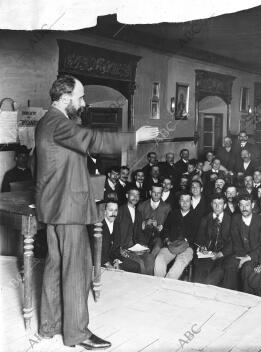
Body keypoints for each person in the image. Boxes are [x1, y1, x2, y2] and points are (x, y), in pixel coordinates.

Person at [35, 75, 158, 349]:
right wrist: (134, 137)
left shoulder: (47, 123)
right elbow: (91, 139)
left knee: (55, 267)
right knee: (77, 269)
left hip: (54, 208)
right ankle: (77, 334)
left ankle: (49, 327)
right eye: (80, 98)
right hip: (68, 210)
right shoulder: (58, 123)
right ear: (65, 98)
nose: (84, 102)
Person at [225, 195, 261, 290]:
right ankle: (229, 295)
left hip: (255, 256)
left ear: (252, 205)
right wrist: (241, 257)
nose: (244, 208)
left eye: (247, 205)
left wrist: (247, 258)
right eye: (241, 205)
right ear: (238, 206)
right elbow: (235, 241)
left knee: (247, 269)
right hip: (240, 253)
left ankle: (246, 299)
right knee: (229, 264)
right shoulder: (235, 218)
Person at [112, 186, 156, 275]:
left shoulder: (138, 214)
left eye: (137, 195)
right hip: (123, 248)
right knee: (140, 264)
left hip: (135, 247)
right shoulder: (119, 211)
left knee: (150, 259)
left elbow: (139, 234)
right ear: (127, 195)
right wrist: (119, 249)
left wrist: (143, 246)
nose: (135, 197)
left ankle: (149, 285)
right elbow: (113, 233)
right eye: (132, 195)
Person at [154, 192, 197, 279]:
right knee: (159, 259)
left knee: (179, 263)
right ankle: (158, 284)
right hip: (171, 245)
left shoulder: (197, 217)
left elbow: (197, 236)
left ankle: (167, 286)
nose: (184, 203)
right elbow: (165, 230)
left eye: (187, 201)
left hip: (187, 247)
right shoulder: (173, 214)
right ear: (179, 202)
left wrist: (185, 243)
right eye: (182, 200)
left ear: (191, 202)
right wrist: (168, 241)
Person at [193, 195, 232, 286]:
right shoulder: (205, 219)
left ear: (225, 206)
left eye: (220, 204)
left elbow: (232, 242)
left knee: (212, 279)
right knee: (199, 277)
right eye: (215, 203)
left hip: (222, 256)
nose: (217, 206)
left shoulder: (231, 220)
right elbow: (199, 238)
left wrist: (219, 254)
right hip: (206, 254)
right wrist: (204, 250)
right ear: (211, 205)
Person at [101, 199, 140, 273]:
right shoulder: (98, 226)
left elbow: (116, 247)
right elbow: (96, 251)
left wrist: (116, 261)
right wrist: (108, 265)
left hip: (113, 258)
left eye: (116, 210)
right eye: (110, 210)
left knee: (136, 266)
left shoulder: (116, 224)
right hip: (101, 261)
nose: (113, 213)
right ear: (105, 211)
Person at [138, 184, 171, 257]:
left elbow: (169, 226)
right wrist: (144, 223)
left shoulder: (167, 207)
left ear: (162, 194)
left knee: (157, 247)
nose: (156, 195)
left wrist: (160, 226)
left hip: (159, 237)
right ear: (150, 192)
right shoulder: (142, 205)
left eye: (159, 193)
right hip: (143, 237)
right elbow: (136, 225)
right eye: (154, 192)